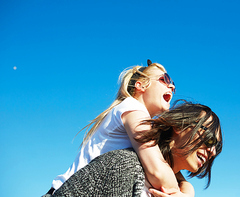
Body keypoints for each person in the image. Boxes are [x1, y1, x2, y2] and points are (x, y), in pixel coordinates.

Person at [45, 60, 194, 196]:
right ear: (140, 85)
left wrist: (188, 189)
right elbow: (159, 172)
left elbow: (170, 171)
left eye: (173, 84)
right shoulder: (132, 107)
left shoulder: (133, 116)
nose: (172, 86)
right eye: (165, 79)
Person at [51, 100, 223, 197]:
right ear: (181, 125)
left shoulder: (179, 190)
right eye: (209, 140)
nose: (212, 151)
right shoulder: (124, 165)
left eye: (216, 147)